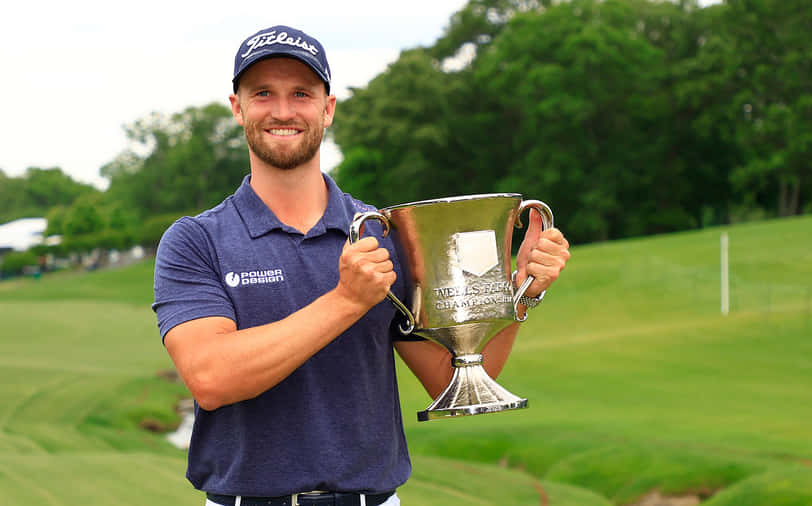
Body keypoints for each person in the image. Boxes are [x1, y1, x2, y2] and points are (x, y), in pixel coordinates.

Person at [152, 25, 571, 506]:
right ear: (237, 107)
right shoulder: (195, 240)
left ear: (327, 109)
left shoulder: (386, 234)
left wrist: (518, 293)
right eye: (263, 93)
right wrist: (346, 301)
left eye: (302, 94)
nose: (283, 111)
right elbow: (211, 379)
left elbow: (453, 378)